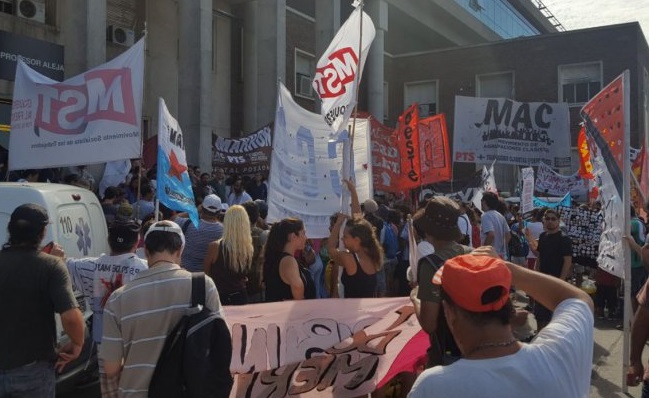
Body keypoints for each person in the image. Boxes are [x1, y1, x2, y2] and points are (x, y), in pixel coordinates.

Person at [408, 248, 594, 398]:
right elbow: (578, 298)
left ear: (449, 313)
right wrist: (505, 268)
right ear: (508, 303)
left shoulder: (435, 387)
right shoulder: (560, 355)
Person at [100, 220, 225, 397]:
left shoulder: (118, 298)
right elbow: (220, 346)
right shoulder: (203, 286)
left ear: (146, 251)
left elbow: (110, 368)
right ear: (180, 250)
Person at [0, 204, 85, 397]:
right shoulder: (51, 266)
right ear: (43, 231)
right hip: (31, 370)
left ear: (10, 229)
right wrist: (77, 344)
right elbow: (71, 317)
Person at [63, 219, 148, 394]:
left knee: (110, 391)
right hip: (136, 342)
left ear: (109, 240)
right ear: (137, 241)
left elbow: (62, 265)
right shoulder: (147, 270)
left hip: (105, 342)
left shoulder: (90, 266)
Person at [411, 196, 472, 367]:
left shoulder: (431, 265)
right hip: (481, 346)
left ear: (428, 230)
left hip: (450, 351)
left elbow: (429, 324)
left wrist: (415, 298)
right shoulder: (473, 253)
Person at [527, 208, 573, 331]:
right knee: (539, 313)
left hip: (556, 281)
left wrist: (561, 281)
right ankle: (539, 335)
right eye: (547, 219)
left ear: (558, 221)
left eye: (553, 219)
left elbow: (567, 261)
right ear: (543, 221)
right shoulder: (542, 236)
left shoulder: (564, 239)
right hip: (543, 280)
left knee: (554, 315)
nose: (550, 221)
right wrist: (536, 275)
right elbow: (540, 256)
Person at [203, 205, 254, 305]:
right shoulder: (248, 248)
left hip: (218, 298)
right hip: (240, 297)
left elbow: (206, 274)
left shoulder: (215, 247)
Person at [327, 213, 383, 298]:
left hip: (352, 309)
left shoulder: (349, 258)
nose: (342, 239)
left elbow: (331, 248)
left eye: (345, 237)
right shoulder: (373, 256)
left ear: (356, 240)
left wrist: (338, 223)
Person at [263, 218, 315, 302]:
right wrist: (301, 304)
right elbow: (297, 287)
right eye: (303, 233)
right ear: (293, 236)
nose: (306, 238)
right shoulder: (288, 261)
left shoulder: (278, 258)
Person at [174, 194, 224, 272]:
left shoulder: (189, 223)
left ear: (202, 208)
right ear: (219, 211)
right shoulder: (224, 230)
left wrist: (194, 211)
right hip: (208, 277)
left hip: (186, 274)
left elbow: (173, 219)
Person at [480, 191, 511, 258]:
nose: (481, 202)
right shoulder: (500, 215)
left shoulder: (485, 216)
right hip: (501, 255)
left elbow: (491, 234)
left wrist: (483, 250)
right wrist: (500, 247)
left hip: (490, 256)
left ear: (485, 202)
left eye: (481, 200)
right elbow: (508, 235)